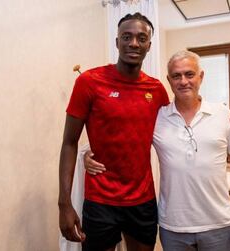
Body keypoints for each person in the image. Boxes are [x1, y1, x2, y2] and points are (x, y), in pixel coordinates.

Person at [85, 50, 230, 251]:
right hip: (173, 227)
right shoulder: (158, 117)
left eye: (189, 74)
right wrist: (89, 154)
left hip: (219, 224)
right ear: (169, 80)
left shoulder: (223, 114)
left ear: (201, 76)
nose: (183, 81)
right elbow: (125, 140)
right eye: (176, 76)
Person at [58, 13, 169, 251]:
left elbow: (177, 126)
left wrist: (222, 116)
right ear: (117, 42)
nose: (134, 43)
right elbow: (69, 142)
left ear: (149, 45)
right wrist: (64, 204)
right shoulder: (89, 82)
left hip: (142, 199)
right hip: (100, 200)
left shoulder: (157, 90)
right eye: (126, 37)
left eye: (142, 38)